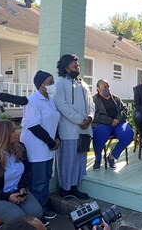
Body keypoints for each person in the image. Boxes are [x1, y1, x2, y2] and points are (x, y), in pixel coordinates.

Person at [20, 71, 61, 224]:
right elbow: (34, 126)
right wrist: (51, 142)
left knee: (45, 178)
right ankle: (36, 216)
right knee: (37, 182)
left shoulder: (50, 100)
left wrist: (57, 138)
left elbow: (54, 120)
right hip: (36, 148)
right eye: (50, 82)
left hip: (48, 148)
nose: (52, 85)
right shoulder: (32, 101)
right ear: (41, 85)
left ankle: (42, 209)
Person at [54, 54, 95, 199]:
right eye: (74, 66)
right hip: (69, 130)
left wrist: (90, 117)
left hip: (84, 130)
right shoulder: (60, 83)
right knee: (67, 160)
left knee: (79, 160)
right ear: (66, 68)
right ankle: (65, 190)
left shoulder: (82, 83)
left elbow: (91, 103)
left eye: (78, 66)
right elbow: (61, 105)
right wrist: (80, 120)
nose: (77, 68)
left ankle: (74, 187)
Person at [92, 79, 133, 170]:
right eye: (104, 87)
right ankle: (98, 159)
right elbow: (94, 114)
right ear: (98, 88)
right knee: (99, 133)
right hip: (103, 124)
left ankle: (112, 157)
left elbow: (124, 109)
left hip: (118, 123)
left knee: (128, 134)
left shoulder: (116, 98)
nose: (106, 88)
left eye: (107, 86)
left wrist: (118, 119)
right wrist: (110, 121)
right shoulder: (94, 100)